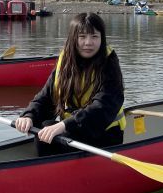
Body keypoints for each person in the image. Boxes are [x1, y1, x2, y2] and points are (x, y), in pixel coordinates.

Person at [14, 12, 126, 157]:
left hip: (104, 133)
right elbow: (47, 96)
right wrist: (29, 115)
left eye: (94, 37)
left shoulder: (109, 63)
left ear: (102, 39)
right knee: (44, 128)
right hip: (75, 127)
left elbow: (103, 106)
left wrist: (64, 125)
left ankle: (59, 172)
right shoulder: (66, 60)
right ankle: (47, 171)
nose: (88, 43)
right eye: (82, 37)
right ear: (73, 38)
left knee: (54, 131)